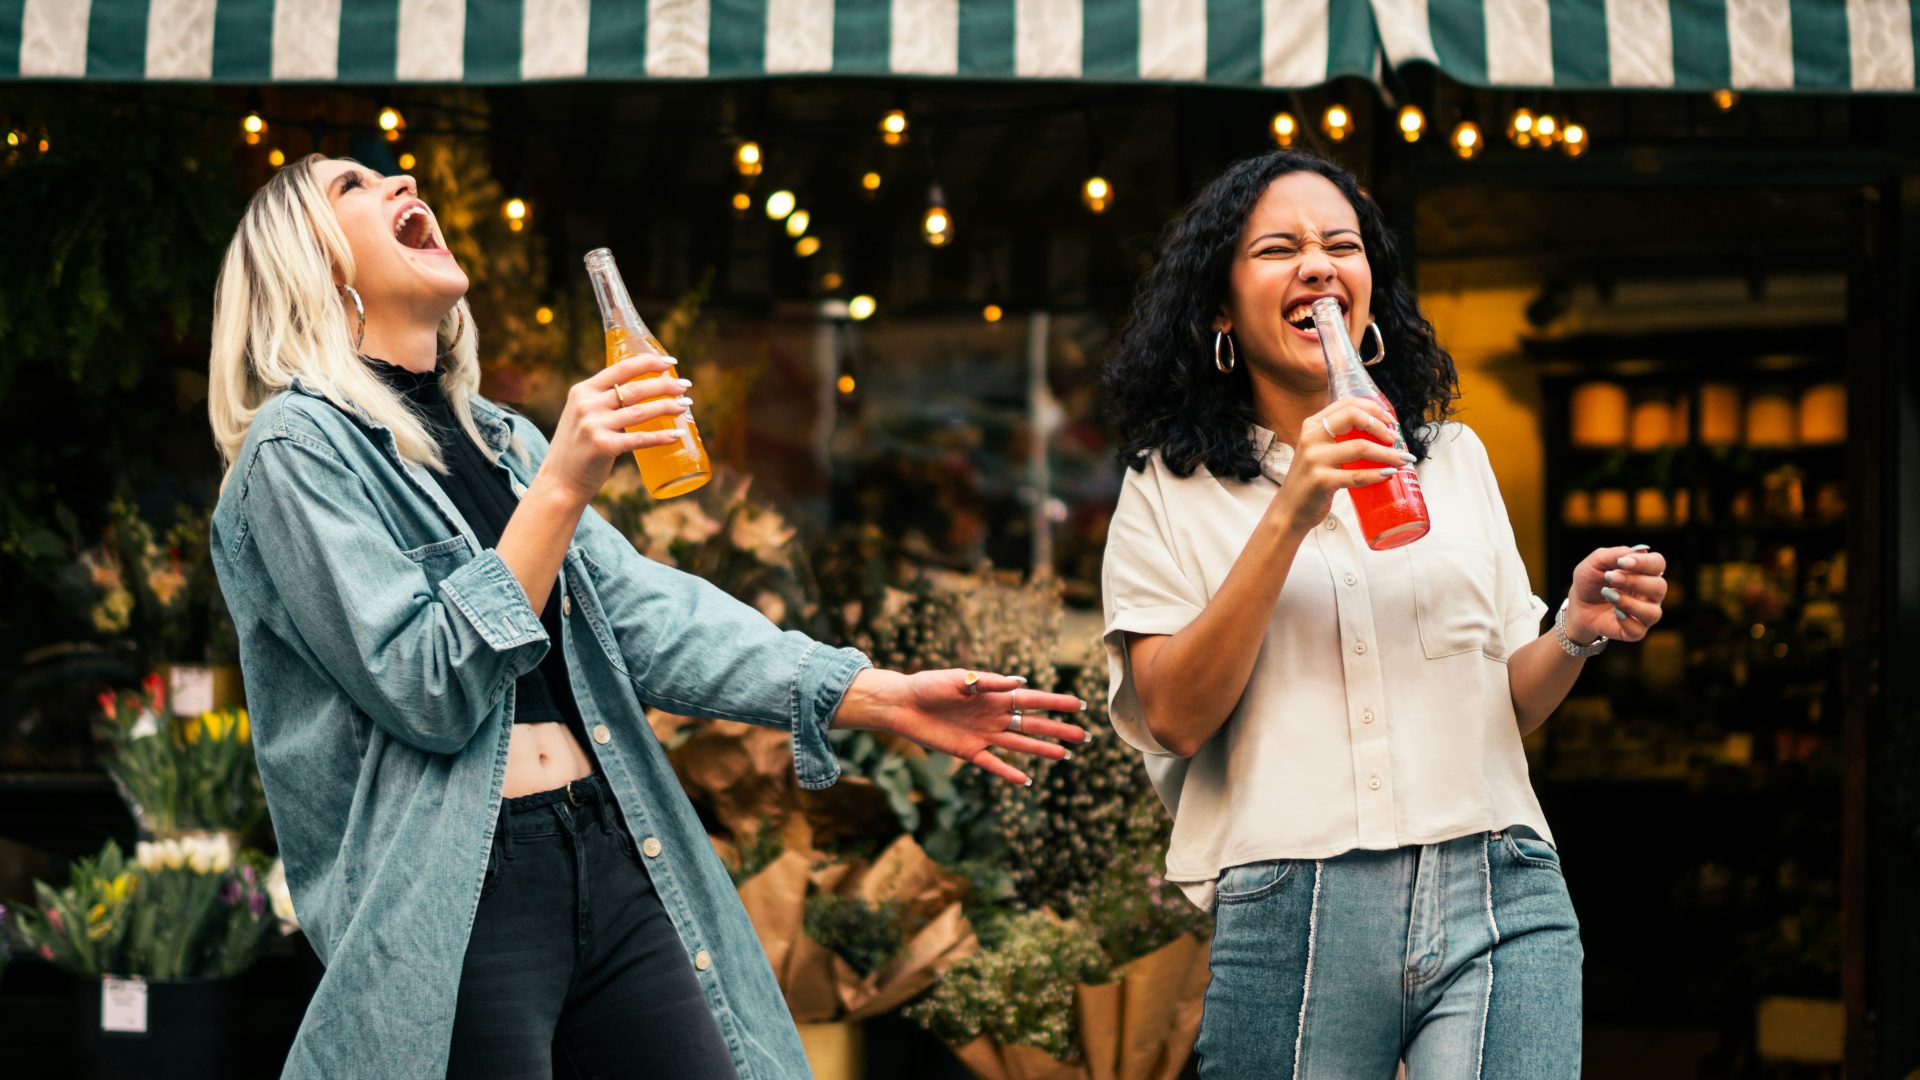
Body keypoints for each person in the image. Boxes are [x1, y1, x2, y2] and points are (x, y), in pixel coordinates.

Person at [205, 154, 1088, 1080]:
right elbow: (425, 685)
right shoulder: (295, 452)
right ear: (307, 264)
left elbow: (645, 617)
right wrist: (563, 487)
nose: (398, 183)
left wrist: (868, 695)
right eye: (352, 186)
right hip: (453, 890)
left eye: (392, 174)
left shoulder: (501, 439)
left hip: (610, 837)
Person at [1099, 149, 1668, 1078]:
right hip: (1297, 907)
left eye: (1342, 246)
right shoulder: (1170, 486)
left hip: (1500, 886)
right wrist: (1292, 511)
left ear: (1367, 292)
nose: (1319, 266)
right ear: (1217, 309)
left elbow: (1503, 705)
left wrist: (1572, 629)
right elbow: (1170, 714)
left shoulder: (1451, 460)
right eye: (1279, 248)